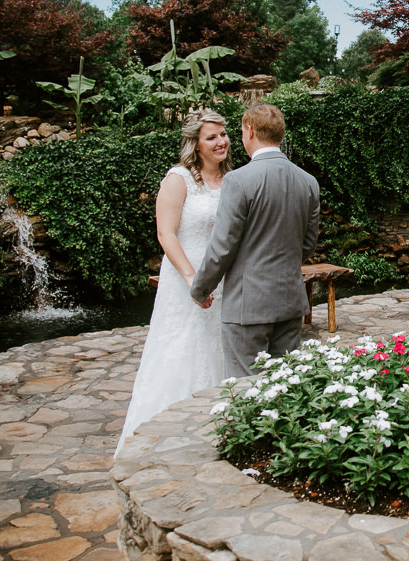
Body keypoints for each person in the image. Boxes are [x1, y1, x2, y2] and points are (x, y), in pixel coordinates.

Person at [117, 109, 232, 454]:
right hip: (186, 276)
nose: (221, 141)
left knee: (218, 348)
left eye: (223, 134)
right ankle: (163, 436)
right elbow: (166, 235)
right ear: (195, 144)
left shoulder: (234, 178)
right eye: (211, 137)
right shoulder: (178, 179)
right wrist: (193, 280)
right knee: (182, 346)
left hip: (224, 280)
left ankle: (218, 430)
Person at [190, 103, 320, 378]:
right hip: (289, 300)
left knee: (245, 387)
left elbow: (222, 246)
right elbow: (307, 245)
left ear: (249, 131)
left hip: (247, 305)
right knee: (282, 387)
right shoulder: (308, 181)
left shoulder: (238, 180)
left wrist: (200, 289)